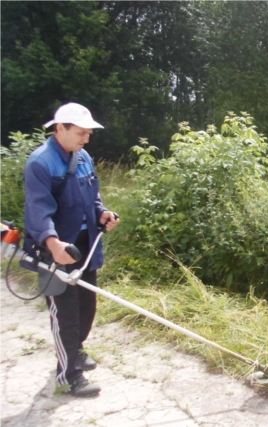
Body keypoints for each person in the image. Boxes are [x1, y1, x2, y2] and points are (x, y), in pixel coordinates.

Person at [23, 103, 120, 397]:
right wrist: (52, 244)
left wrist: (103, 212)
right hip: (57, 246)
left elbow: (93, 195)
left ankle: (75, 351)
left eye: (89, 133)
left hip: (85, 244)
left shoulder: (84, 157)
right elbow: (39, 210)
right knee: (65, 312)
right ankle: (67, 376)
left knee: (86, 306)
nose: (86, 138)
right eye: (81, 132)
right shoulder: (40, 163)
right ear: (60, 128)